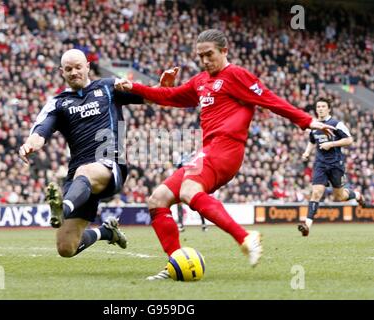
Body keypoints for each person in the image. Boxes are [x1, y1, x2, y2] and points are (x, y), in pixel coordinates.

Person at [115, 29, 336, 280]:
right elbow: (170, 96)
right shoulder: (200, 81)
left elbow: (269, 100)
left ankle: (245, 237)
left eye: (209, 54)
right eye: (200, 56)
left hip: (227, 148)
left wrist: (307, 121)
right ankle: (177, 263)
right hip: (209, 150)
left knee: (188, 190)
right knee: (158, 199)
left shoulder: (236, 75)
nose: (205, 60)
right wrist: (134, 87)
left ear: (224, 51)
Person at [18, 49, 145, 258]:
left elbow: (149, 97)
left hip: (110, 164)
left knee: (85, 171)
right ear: (62, 72)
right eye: (68, 69)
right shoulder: (58, 103)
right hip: (79, 175)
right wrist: (29, 145)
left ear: (87, 66)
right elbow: (40, 131)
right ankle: (105, 232)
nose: (74, 72)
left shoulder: (108, 87)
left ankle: (63, 208)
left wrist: (163, 86)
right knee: (67, 248)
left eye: (78, 67)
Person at [298, 98, 365, 236]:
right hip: (320, 164)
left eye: (323, 106)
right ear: (316, 109)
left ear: (329, 109)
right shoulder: (314, 126)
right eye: (318, 106)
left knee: (339, 197)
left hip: (336, 164)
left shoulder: (337, 124)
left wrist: (331, 144)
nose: (320, 109)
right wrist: (306, 152)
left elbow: (349, 139)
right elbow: (312, 141)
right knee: (316, 193)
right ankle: (307, 225)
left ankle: (357, 195)